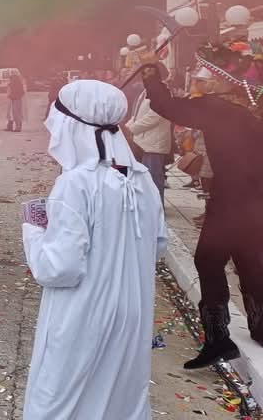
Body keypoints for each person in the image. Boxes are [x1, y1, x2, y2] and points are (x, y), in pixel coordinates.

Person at [22, 80, 166, 419]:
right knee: (120, 400)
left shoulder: (74, 183)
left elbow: (59, 268)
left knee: (59, 400)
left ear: (71, 127)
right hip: (132, 312)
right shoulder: (142, 178)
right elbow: (158, 244)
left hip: (83, 313)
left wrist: (33, 228)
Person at [141, 43, 263, 368]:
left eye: (209, 76)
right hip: (256, 200)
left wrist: (151, 72)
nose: (204, 81)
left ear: (223, 80)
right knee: (250, 261)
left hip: (231, 200)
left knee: (208, 261)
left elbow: (167, 105)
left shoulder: (217, 108)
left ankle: (218, 339)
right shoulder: (254, 105)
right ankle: (260, 326)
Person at [125, 62, 172, 201]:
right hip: (143, 141)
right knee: (144, 179)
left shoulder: (163, 90)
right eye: (144, 72)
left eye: (150, 72)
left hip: (153, 142)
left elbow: (155, 115)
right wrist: (128, 126)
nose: (146, 75)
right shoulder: (147, 90)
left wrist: (133, 128)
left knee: (153, 179)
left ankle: (156, 208)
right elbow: (138, 112)